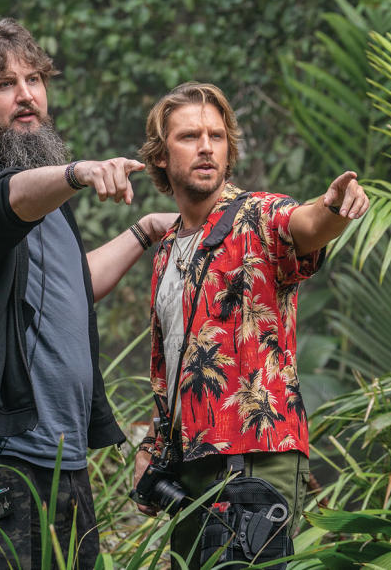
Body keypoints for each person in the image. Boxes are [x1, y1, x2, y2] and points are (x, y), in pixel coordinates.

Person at [0, 18, 175, 568]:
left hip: (64, 462)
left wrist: (145, 230)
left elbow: (72, 287)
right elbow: (0, 201)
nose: (27, 96)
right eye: (5, 84)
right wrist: (75, 172)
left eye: (35, 79)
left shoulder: (48, 201)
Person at [130, 82, 369, 567]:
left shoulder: (256, 217)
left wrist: (334, 208)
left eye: (216, 136)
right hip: (189, 463)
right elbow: (173, 368)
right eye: (189, 136)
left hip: (253, 458)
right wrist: (155, 449)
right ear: (160, 156)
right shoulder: (168, 251)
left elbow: (302, 226)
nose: (205, 147)